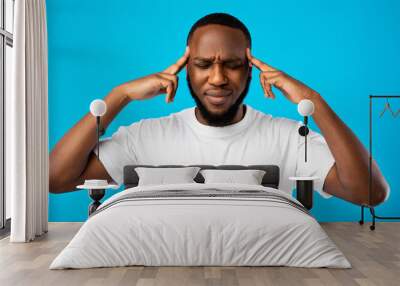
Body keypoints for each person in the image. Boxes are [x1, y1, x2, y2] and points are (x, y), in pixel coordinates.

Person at [49, 13, 389, 207]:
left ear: (250, 70)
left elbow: (370, 193)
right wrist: (119, 95)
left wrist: (314, 101)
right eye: (203, 64)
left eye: (232, 64)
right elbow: (55, 179)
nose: (217, 78)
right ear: (186, 70)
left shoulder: (288, 137)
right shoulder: (145, 136)